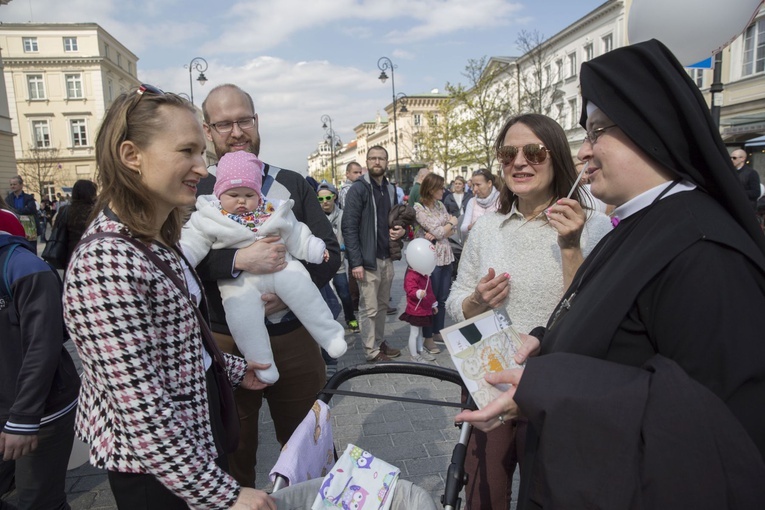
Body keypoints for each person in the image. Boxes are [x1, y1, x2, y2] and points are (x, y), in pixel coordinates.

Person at [456, 40, 765, 509]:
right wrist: (547, 340)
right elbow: (611, 321)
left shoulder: (705, 251)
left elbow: (712, 428)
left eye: (598, 130)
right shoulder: (646, 221)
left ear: (650, 128)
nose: (585, 149)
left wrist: (550, 383)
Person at [63, 85, 276, 509]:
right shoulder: (105, 260)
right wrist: (226, 495)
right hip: (156, 472)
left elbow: (172, 343)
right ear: (131, 156)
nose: (202, 165)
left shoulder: (152, 236)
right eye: (187, 151)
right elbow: (143, 412)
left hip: (187, 443)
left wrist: (231, 368)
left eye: (201, 150)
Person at [446, 113, 611, 510]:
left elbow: (593, 311)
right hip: (490, 381)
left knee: (552, 496)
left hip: (557, 386)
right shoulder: (487, 228)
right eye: (508, 153)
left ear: (556, 159)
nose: (519, 162)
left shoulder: (594, 227)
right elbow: (456, 301)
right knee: (484, 497)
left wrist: (570, 246)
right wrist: (476, 302)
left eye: (534, 152)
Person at [194, 83, 340, 488]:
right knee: (231, 449)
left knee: (308, 445)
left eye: (244, 120)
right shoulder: (197, 190)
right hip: (225, 340)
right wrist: (237, 261)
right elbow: (179, 259)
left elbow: (329, 251)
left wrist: (288, 293)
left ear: (257, 123)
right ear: (208, 131)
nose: (236, 131)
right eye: (224, 124)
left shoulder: (290, 182)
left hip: (294, 336)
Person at [181, 151, 345, 385]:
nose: (241, 201)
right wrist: (187, 256)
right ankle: (261, 363)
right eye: (233, 194)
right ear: (219, 194)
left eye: (249, 195)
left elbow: (296, 233)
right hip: (239, 284)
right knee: (243, 318)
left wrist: (315, 249)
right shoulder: (209, 216)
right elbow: (192, 243)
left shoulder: (272, 210)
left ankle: (330, 335)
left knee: (304, 290)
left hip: (282, 270)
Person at [0, 195, 80, 510]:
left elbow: (43, 345)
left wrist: (23, 419)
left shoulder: (22, 265)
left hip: (38, 410)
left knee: (40, 502)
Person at [341, 145, 406, 362]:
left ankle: (379, 342)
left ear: (387, 162)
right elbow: (349, 227)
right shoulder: (358, 189)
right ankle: (370, 351)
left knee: (382, 306)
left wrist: (400, 229)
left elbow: (395, 218)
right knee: (369, 308)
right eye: (373, 158)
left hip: (386, 256)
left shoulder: (389, 188)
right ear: (366, 162)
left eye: (381, 159)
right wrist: (356, 263)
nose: (377, 162)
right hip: (367, 260)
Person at [414, 172, 458, 354]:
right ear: (431, 189)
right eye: (440, 187)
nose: (443, 190)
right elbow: (443, 229)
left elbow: (449, 232)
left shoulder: (440, 205)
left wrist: (445, 229)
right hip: (430, 259)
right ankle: (427, 337)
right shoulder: (419, 208)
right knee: (429, 300)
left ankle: (437, 330)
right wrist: (449, 225)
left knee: (442, 298)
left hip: (446, 256)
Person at [317, 181, 358, 333]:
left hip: (338, 263)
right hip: (321, 265)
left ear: (334, 196)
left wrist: (346, 249)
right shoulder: (317, 218)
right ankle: (328, 324)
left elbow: (350, 235)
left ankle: (351, 318)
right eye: (320, 199)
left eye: (327, 198)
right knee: (324, 297)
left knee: (345, 294)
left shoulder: (342, 216)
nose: (325, 202)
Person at [399, 240, 438, 363]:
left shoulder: (425, 274)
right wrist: (417, 293)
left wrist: (433, 304)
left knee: (420, 332)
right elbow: (410, 290)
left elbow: (430, 291)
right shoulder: (411, 275)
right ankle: (414, 355)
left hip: (424, 309)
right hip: (415, 309)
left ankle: (420, 350)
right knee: (414, 332)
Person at [62, 179, 97, 265]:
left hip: (71, 252)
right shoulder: (96, 211)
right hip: (92, 251)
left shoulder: (66, 210)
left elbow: (59, 230)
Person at [460, 168, 500, 237]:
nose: (475, 189)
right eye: (473, 185)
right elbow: (463, 228)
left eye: (478, 185)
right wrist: (472, 226)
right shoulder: (472, 201)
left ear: (489, 183)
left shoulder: (501, 200)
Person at [5, 176, 38, 251]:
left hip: (29, 230)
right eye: (11, 185)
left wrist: (15, 211)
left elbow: (30, 209)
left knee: (31, 251)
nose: (12, 186)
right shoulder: (8, 199)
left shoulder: (29, 198)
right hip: (15, 229)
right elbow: (8, 210)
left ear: (21, 185)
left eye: (14, 184)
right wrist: (22, 210)